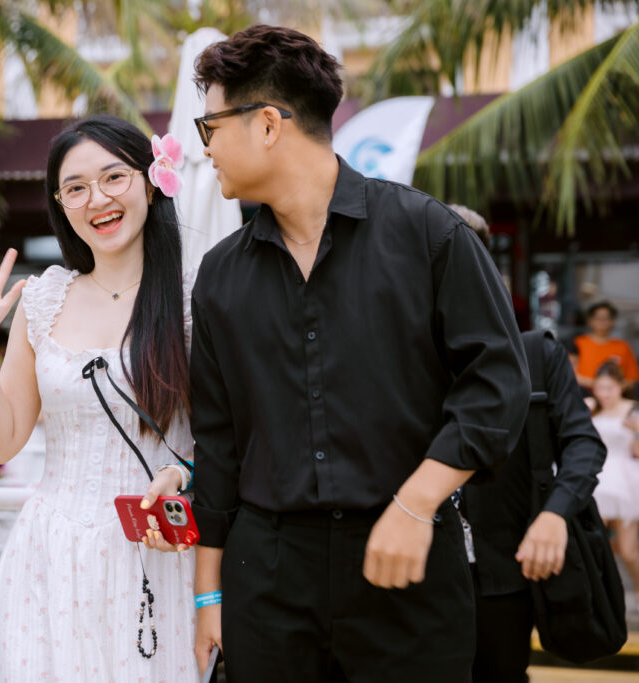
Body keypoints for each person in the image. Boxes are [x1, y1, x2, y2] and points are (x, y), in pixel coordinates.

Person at [187, 25, 529, 682]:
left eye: (212, 127)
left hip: (408, 560)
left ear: (267, 124)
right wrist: (208, 596)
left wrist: (416, 503)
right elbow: (219, 442)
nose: (207, 148)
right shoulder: (220, 275)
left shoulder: (427, 232)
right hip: (268, 577)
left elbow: (497, 384)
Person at [0, 115, 199, 681]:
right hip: (50, 554)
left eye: (113, 178)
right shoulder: (44, 298)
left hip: (158, 554)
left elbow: (231, 435)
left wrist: (185, 475)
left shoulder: (195, 297)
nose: (97, 200)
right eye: (75, 188)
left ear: (151, 181)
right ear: (60, 205)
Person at [451, 205, 607, 682]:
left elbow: (584, 444)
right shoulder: (402, 360)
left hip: (505, 568)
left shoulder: (537, 354)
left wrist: (555, 514)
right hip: (417, 569)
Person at [586, 362, 639, 608]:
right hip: (597, 479)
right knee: (595, 544)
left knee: (628, 551)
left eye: (609, 388)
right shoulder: (592, 409)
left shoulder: (632, 411)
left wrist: (637, 432)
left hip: (625, 480)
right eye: (599, 388)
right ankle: (599, 598)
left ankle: (637, 590)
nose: (604, 394)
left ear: (621, 386)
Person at [575, 301, 638, 391]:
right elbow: (569, 373)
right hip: (583, 393)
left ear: (613, 321)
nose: (602, 322)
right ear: (590, 320)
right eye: (598, 318)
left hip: (615, 395)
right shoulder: (578, 343)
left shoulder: (622, 346)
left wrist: (612, 389)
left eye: (606, 318)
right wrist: (601, 386)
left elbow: (632, 378)